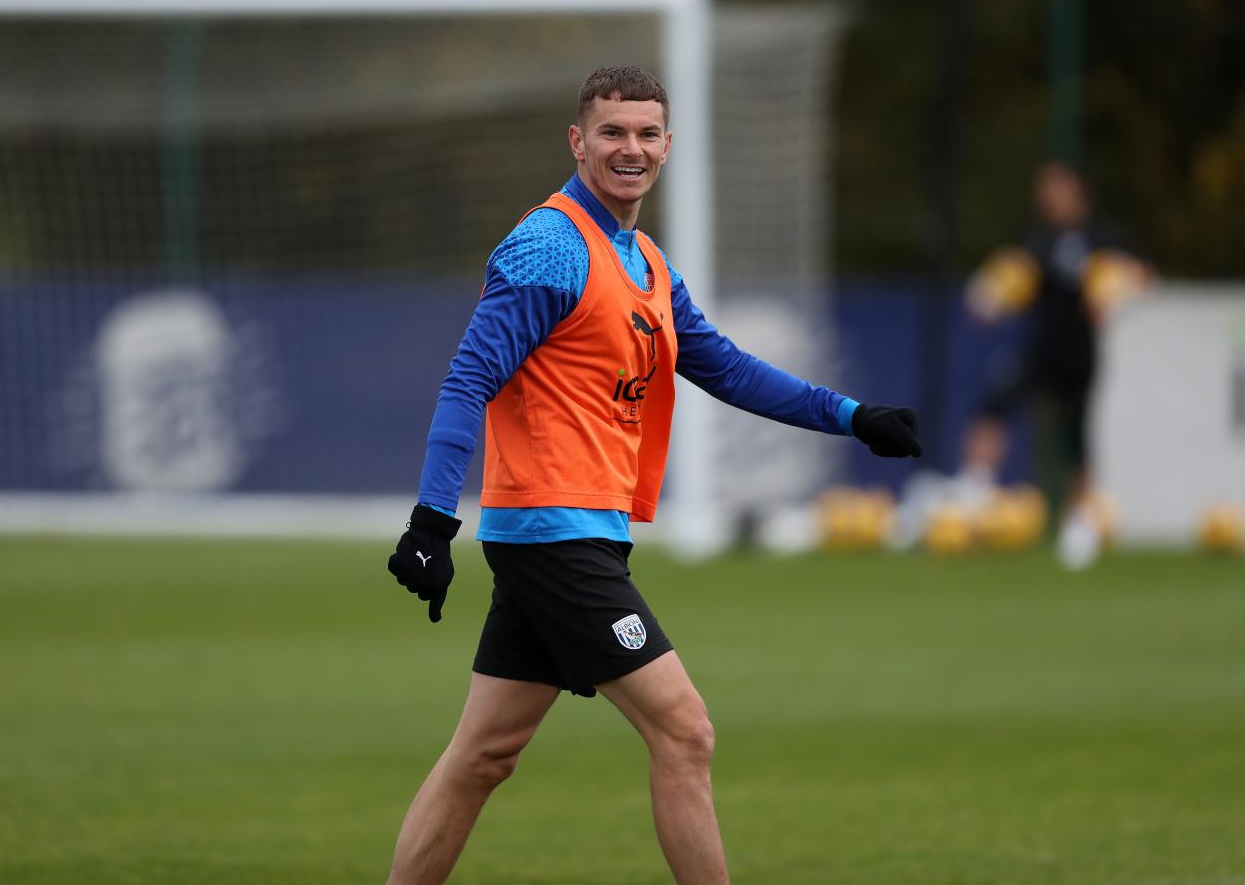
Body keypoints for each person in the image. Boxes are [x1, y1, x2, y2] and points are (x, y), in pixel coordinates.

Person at [383, 65, 922, 884]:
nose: (629, 148)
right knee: (685, 732)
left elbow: (727, 369)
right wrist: (431, 522)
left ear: (667, 145)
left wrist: (852, 417)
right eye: (611, 132)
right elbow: (468, 381)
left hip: (579, 532)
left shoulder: (644, 261)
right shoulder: (548, 247)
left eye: (645, 133)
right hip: (553, 533)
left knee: (483, 755)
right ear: (579, 141)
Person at [958, 159, 1151, 568]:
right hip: (1038, 347)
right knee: (991, 405)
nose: (1048, 196)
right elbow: (1004, 279)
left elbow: (1142, 277)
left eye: (1056, 187)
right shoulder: (1037, 238)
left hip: (1080, 352)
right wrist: (988, 297)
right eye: (1045, 189)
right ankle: (974, 491)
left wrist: (1121, 289)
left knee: (1077, 439)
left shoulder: (1104, 235)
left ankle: (1079, 524)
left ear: (1078, 190)